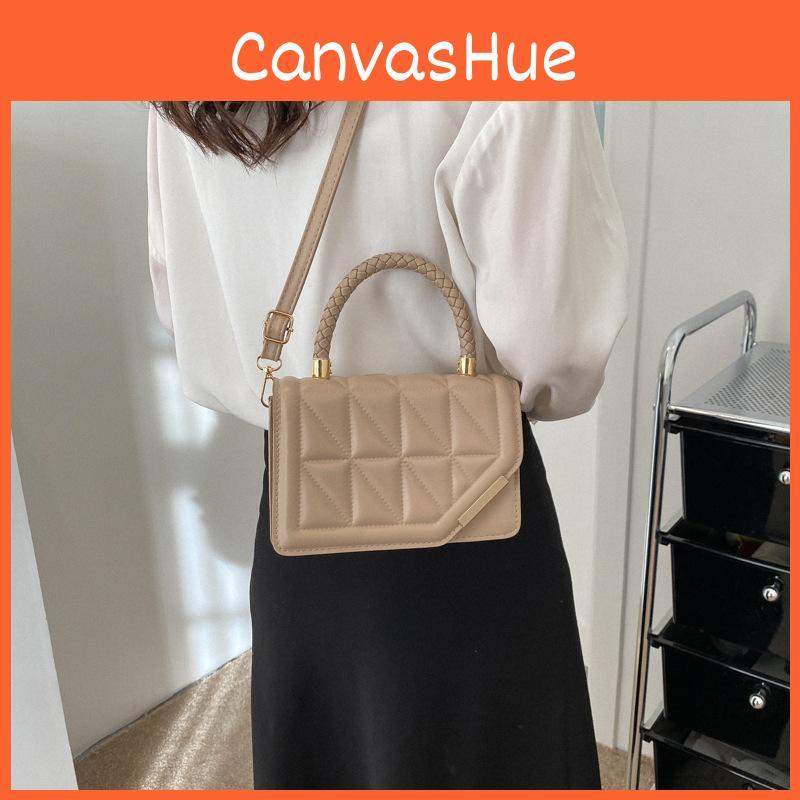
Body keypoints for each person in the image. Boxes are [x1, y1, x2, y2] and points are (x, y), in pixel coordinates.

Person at [147, 100, 628, 789]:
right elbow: (556, 346)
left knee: (327, 758)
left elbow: (177, 298)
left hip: (302, 500)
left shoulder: (181, 76)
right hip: (470, 503)